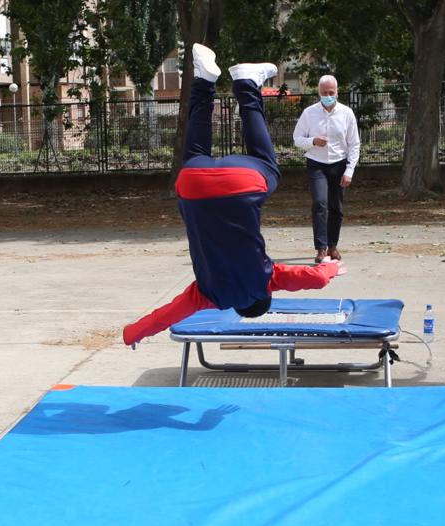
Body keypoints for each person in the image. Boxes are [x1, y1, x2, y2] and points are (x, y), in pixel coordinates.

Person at [122, 45, 345, 347]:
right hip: (193, 183)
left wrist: (330, 268)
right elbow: (166, 315)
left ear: (266, 295)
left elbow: (314, 279)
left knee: (269, 166)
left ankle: (246, 84)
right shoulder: (206, 295)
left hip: (243, 181)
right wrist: (134, 333)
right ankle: (204, 79)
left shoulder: (267, 280)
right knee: (194, 153)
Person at [293, 75, 361, 263]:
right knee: (320, 203)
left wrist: (349, 171)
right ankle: (321, 248)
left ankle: (333, 246)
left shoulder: (346, 113)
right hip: (316, 164)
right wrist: (313, 141)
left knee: (336, 207)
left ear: (337, 92)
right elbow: (297, 139)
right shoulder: (309, 113)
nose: (328, 96)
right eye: (324, 93)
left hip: (339, 164)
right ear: (319, 93)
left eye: (331, 93)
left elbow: (354, 144)